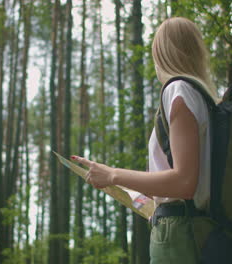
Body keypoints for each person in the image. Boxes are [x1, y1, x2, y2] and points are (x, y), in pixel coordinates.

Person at [71, 17, 217, 264]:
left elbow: (184, 182)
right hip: (199, 227)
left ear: (162, 54)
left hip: (179, 232)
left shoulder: (178, 90)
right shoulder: (206, 99)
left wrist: (112, 175)